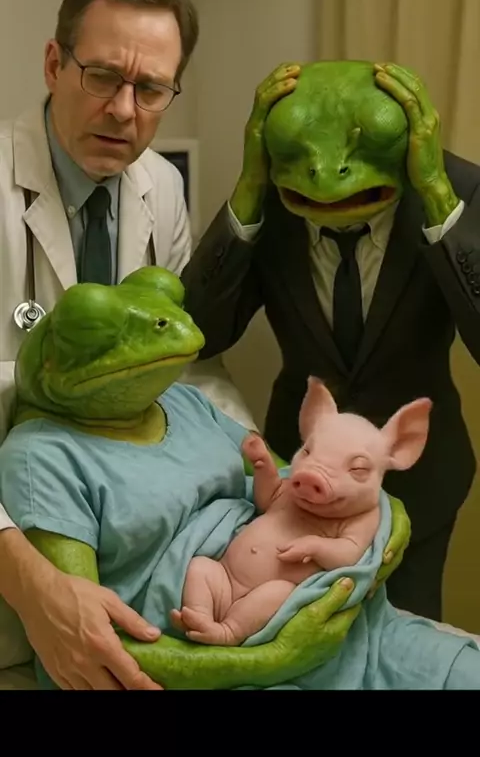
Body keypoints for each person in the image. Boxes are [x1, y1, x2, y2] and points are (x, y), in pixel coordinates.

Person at [0, 0, 255, 690]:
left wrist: (257, 458)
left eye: (151, 89)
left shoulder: (161, 187)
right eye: (103, 76)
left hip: (118, 536)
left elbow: (180, 360)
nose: (123, 110)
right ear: (54, 64)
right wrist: (30, 582)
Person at [180, 60, 480, 623]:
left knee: (405, 636)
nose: (327, 174)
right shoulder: (272, 196)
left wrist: (437, 197)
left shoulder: (460, 190)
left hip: (419, 480)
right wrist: (250, 189)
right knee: (286, 633)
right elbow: (198, 333)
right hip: (296, 487)